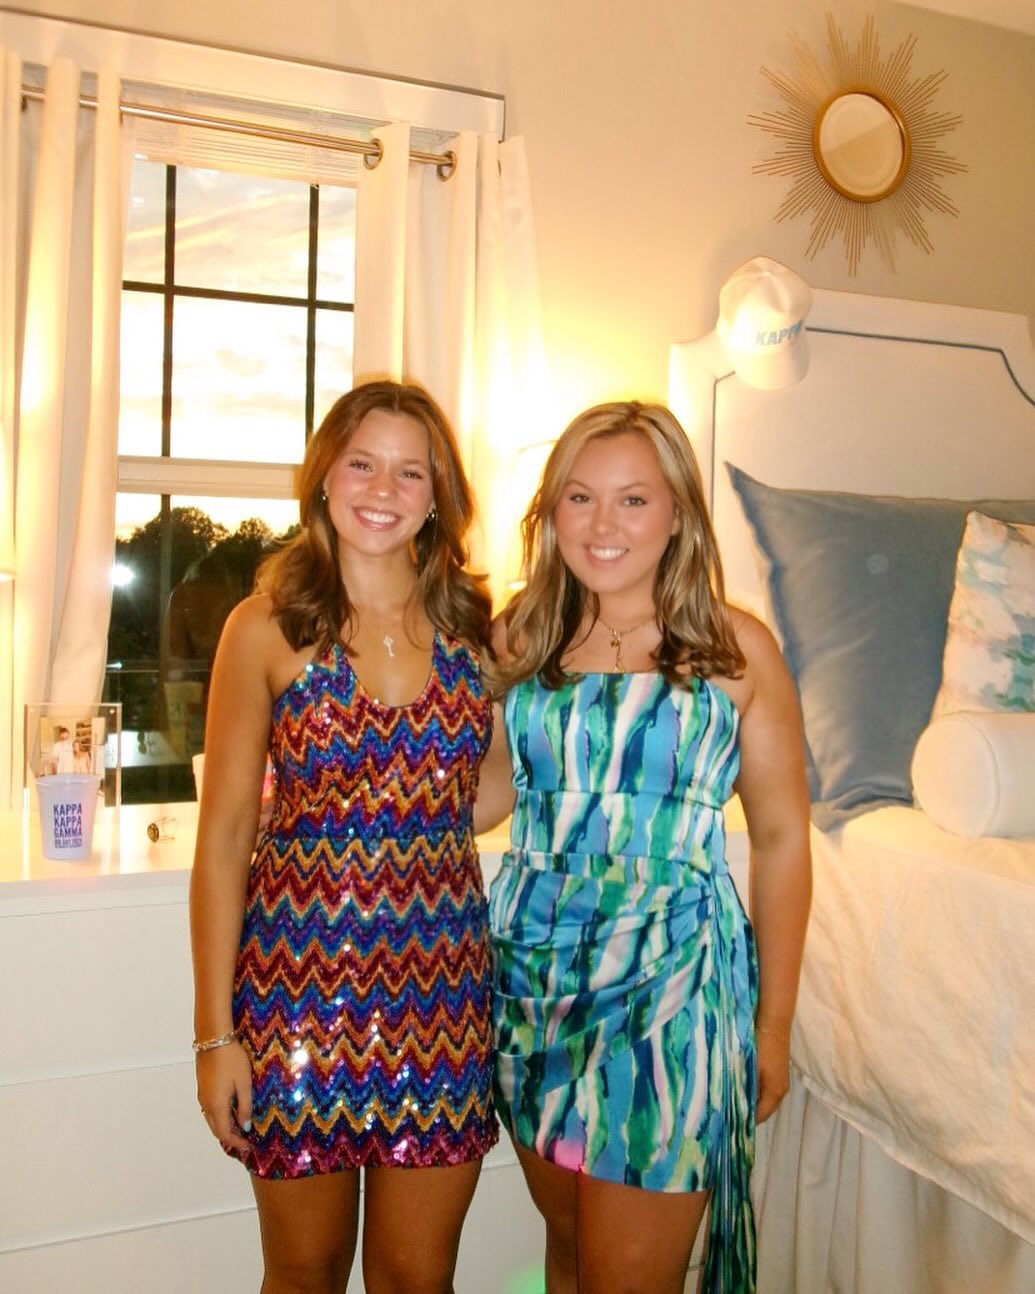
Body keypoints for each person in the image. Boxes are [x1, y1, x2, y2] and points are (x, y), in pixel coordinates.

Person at [479, 401, 812, 1294]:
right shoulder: (519, 637)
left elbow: (782, 841)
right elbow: (482, 802)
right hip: (532, 985)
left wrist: (772, 1026)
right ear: (551, 511)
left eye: (632, 499)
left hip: (674, 986)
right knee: (568, 1256)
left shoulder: (737, 650)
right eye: (579, 497)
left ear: (676, 514)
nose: (603, 524)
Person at [189, 379, 500, 1294]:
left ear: (438, 495)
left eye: (410, 472)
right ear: (324, 475)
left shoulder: (476, 630)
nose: (381, 489)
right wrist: (214, 1036)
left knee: (416, 1279)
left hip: (443, 999)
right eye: (362, 463)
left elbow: (484, 798)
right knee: (304, 1274)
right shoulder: (264, 628)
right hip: (295, 1000)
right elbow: (224, 842)